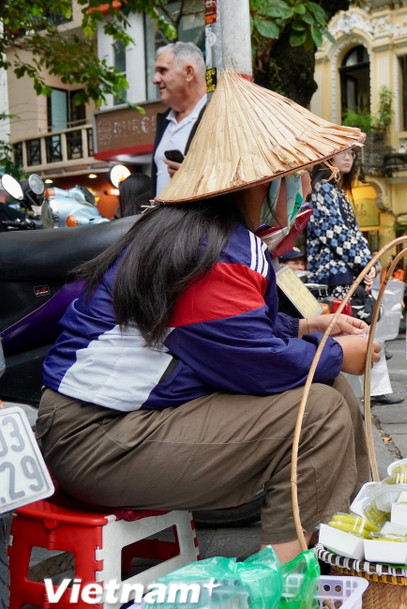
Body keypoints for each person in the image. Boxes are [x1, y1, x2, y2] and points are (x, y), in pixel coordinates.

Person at [37, 70, 373, 565]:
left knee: (329, 391)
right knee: (318, 412)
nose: (304, 187)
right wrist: (341, 353)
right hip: (96, 439)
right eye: (300, 173)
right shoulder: (211, 251)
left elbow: (218, 335)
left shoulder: (199, 234)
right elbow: (255, 363)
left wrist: (305, 328)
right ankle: (285, 579)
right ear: (265, 179)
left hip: (121, 423)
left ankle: (355, 534)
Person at [305, 149, 402, 406]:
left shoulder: (334, 191)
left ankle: (372, 389)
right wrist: (366, 264)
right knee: (348, 329)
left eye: (351, 153)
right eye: (342, 153)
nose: (348, 158)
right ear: (328, 158)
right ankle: (358, 392)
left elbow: (350, 235)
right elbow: (336, 234)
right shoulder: (322, 190)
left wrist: (368, 265)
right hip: (333, 276)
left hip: (343, 272)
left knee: (358, 327)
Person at [152, 41, 209, 196]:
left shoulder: (216, 114)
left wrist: (194, 177)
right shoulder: (164, 121)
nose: (155, 79)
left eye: (163, 71)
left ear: (189, 72)